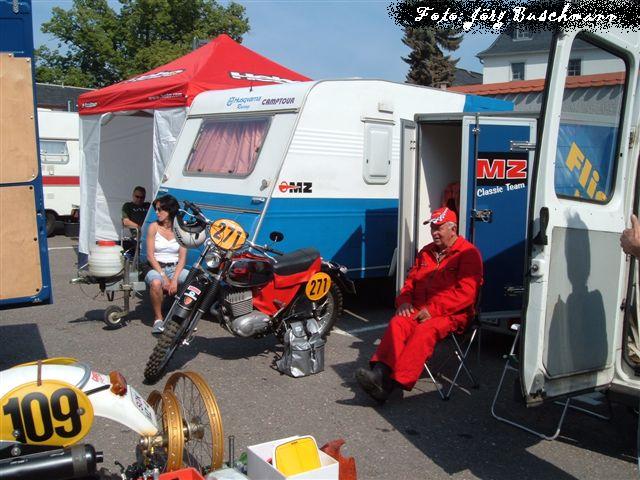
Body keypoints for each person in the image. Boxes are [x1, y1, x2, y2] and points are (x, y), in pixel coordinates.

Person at [355, 207, 483, 404]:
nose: (434, 232)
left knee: (425, 330)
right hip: (419, 308)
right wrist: (404, 301)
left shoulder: (469, 254)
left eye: (439, 228)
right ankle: (380, 373)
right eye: (432, 228)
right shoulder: (426, 252)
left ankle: (390, 383)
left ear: (453, 229)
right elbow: (410, 282)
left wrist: (433, 311)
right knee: (398, 322)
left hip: (452, 315)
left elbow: (467, 294)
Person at [145, 195, 188, 334]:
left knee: (192, 281)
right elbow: (150, 256)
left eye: (160, 209)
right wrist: (164, 277)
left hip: (175, 267)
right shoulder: (153, 227)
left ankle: (181, 317)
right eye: (156, 209)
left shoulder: (181, 229)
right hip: (156, 267)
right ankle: (158, 318)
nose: (156, 212)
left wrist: (174, 280)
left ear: (169, 210)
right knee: (156, 283)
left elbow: (182, 258)